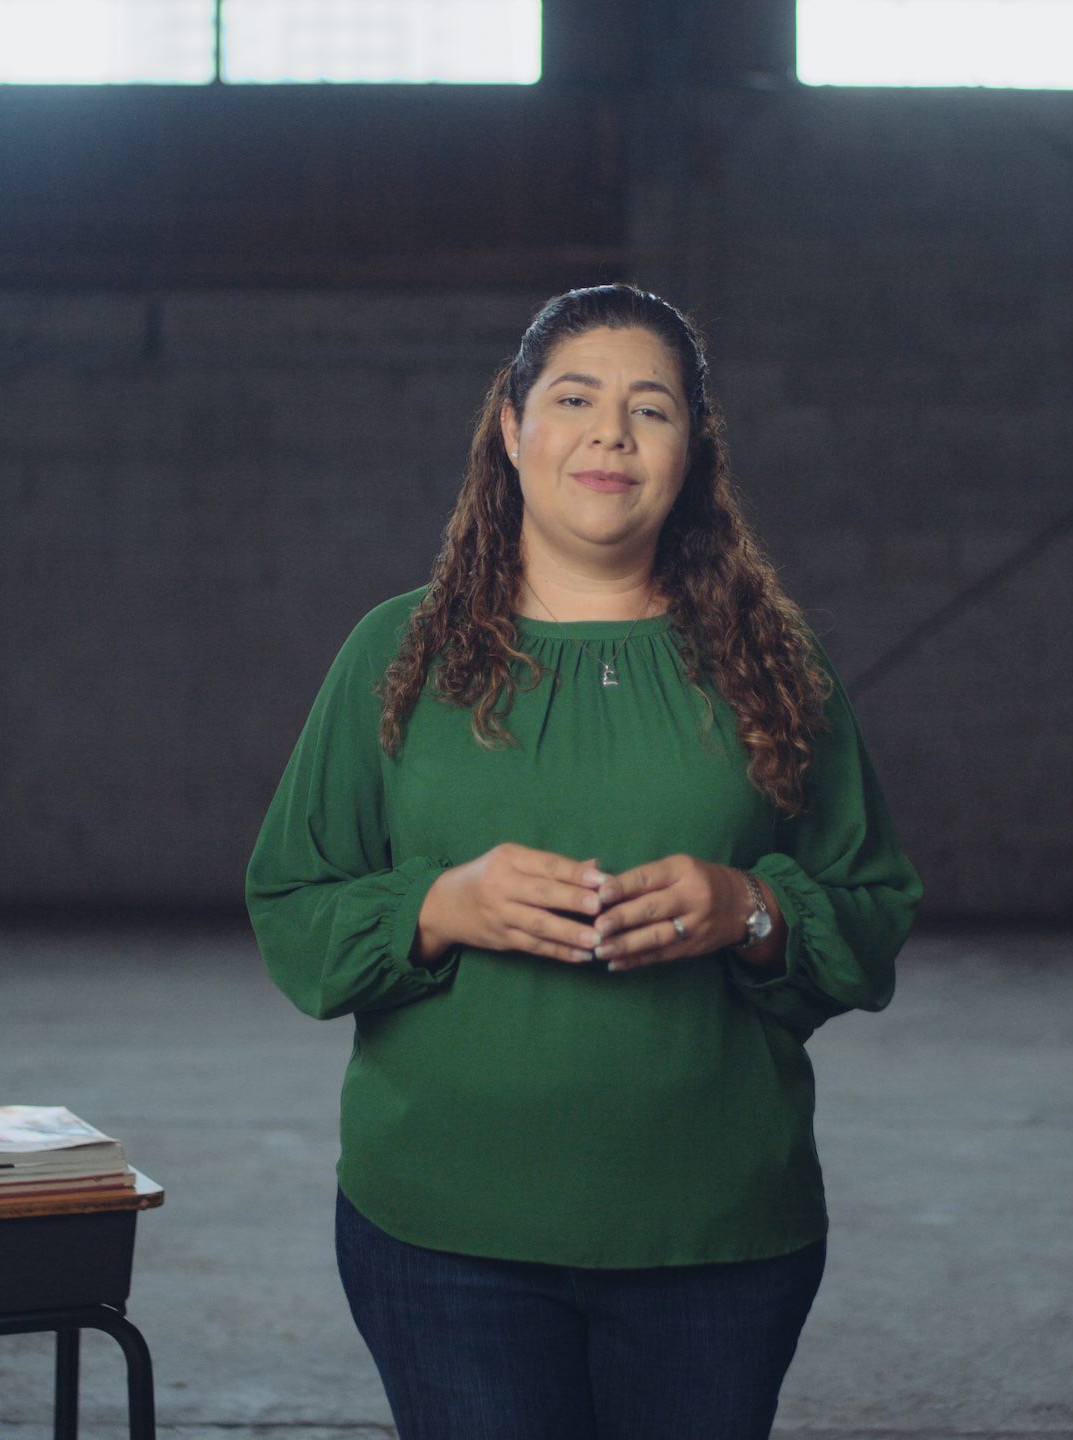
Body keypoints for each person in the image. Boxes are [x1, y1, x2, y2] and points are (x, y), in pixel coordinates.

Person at [245, 283, 922, 1440]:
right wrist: (440, 906)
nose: (611, 433)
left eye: (650, 409)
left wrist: (749, 908)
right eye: (574, 398)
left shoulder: (772, 660)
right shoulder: (397, 654)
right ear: (511, 430)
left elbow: (869, 910)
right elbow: (293, 904)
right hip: (444, 1234)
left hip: (716, 1235)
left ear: (692, 452)